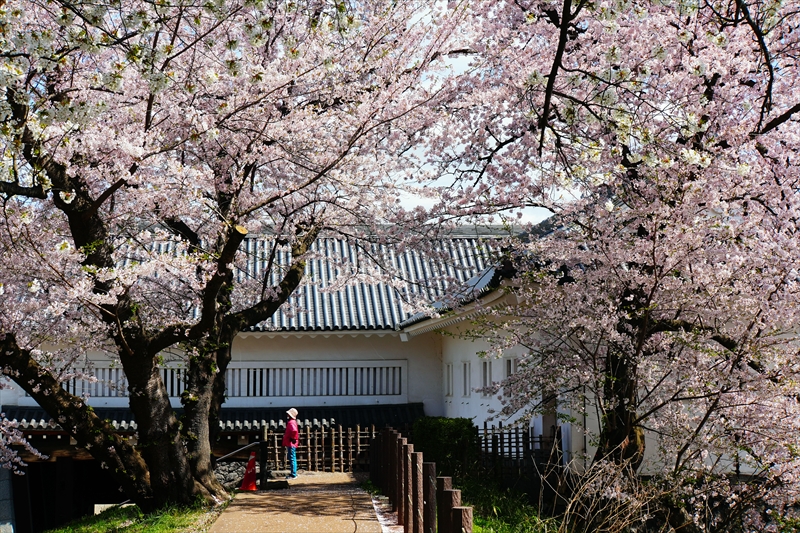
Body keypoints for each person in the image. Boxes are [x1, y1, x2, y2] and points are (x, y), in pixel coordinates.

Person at [282, 408, 299, 479]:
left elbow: (294, 430)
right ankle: (294, 472)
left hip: (291, 442)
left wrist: (293, 438)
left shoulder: (291, 422)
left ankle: (293, 474)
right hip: (292, 442)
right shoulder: (293, 422)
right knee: (293, 457)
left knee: (292, 457)